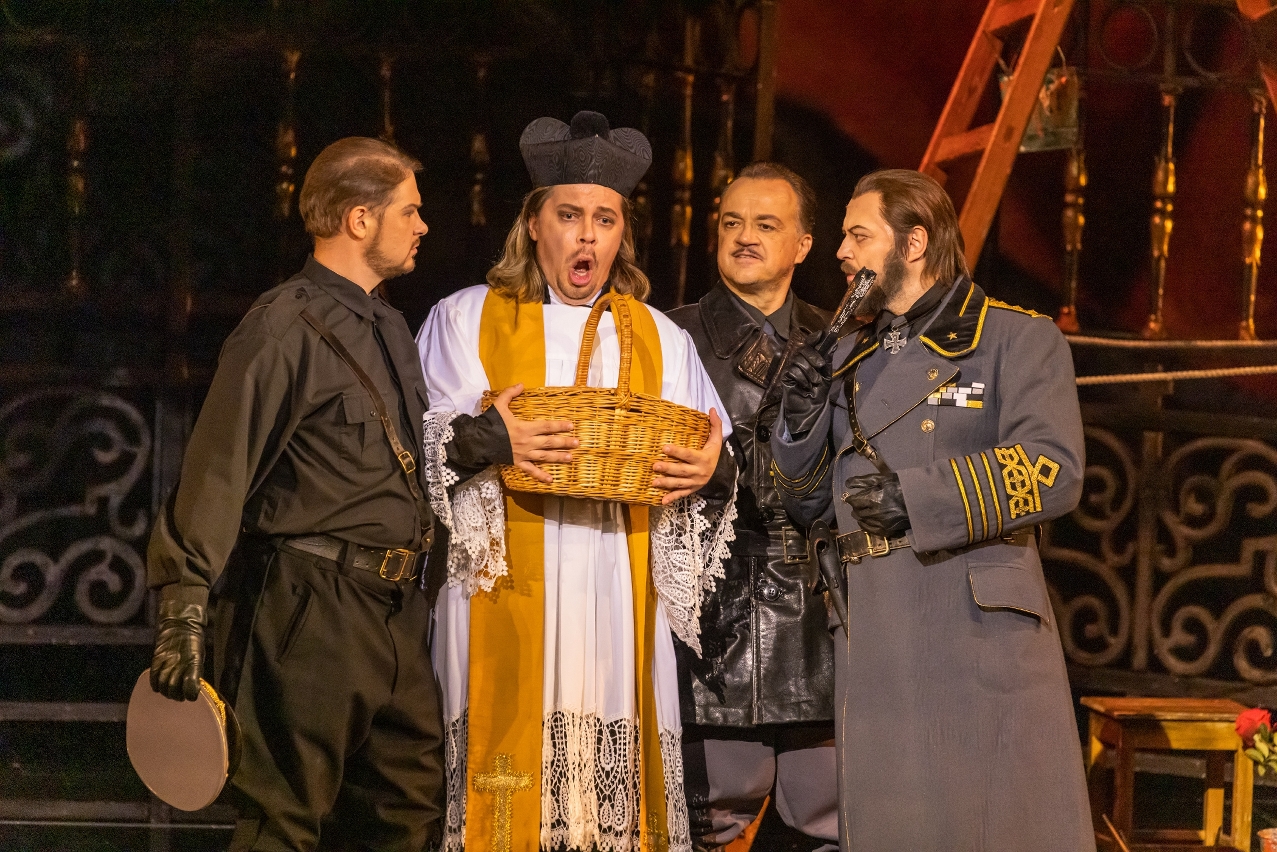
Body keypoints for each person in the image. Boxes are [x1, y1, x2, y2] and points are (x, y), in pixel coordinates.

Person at [416, 110, 738, 852]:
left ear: (622, 234)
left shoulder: (659, 335)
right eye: (569, 216)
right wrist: (487, 439)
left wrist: (712, 467)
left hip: (613, 585)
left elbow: (714, 448)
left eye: (605, 219)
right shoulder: (466, 317)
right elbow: (422, 447)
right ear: (534, 224)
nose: (587, 237)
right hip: (499, 584)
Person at [770, 169, 1095, 851]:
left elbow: (1052, 469)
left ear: (912, 243)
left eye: (858, 236)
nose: (841, 252)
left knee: (992, 824)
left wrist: (919, 499)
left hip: (971, 625)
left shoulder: (1011, 338)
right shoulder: (849, 357)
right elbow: (808, 503)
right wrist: (798, 423)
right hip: (873, 623)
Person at [146, 137, 444, 852]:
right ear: (359, 218)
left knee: (406, 813)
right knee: (283, 818)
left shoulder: (388, 326)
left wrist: (487, 440)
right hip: (312, 606)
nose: (423, 225)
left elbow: (393, 458)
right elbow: (220, 465)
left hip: (394, 609)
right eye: (409, 210)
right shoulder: (282, 324)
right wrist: (182, 608)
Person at [666, 162, 837, 851]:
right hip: (711, 612)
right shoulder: (667, 336)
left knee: (828, 819)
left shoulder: (840, 342)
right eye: (732, 222)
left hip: (820, 612)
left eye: (766, 224)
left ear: (803, 244)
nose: (744, 237)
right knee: (710, 819)